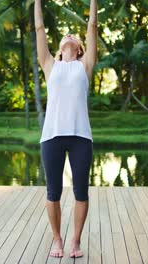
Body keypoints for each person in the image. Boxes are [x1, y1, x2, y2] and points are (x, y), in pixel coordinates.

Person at [35, 0, 98, 259]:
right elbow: (39, 27)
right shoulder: (51, 65)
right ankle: (58, 240)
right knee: (54, 192)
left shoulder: (84, 66)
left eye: (74, 36)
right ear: (59, 48)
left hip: (81, 136)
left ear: (81, 48)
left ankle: (75, 242)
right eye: (65, 35)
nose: (69, 35)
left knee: (81, 191)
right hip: (52, 136)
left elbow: (92, 25)